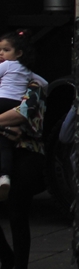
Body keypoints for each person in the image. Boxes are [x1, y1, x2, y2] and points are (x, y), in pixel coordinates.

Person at [0, 75, 47, 269]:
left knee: (18, 215)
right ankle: (7, 258)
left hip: (26, 151)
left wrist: (14, 122)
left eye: (6, 50)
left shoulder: (34, 85)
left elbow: (24, 113)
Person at [0, 32, 36, 202]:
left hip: (4, 103)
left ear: (18, 53)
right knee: (4, 143)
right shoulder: (28, 73)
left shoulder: (7, 66)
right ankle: (4, 176)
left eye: (5, 50)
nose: (1, 54)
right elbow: (43, 83)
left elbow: (24, 113)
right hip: (14, 105)